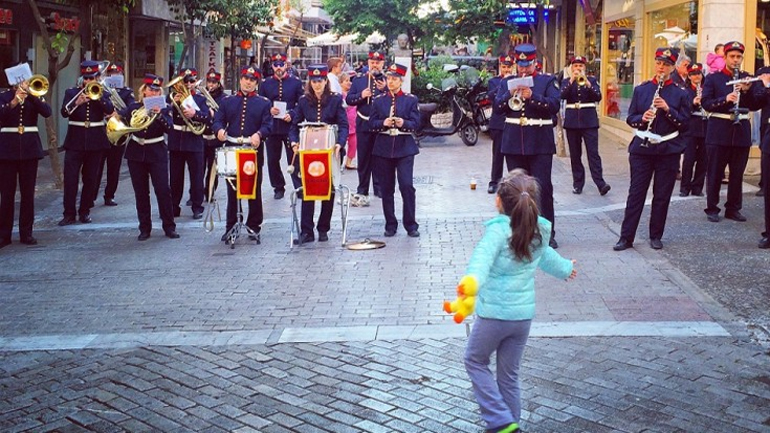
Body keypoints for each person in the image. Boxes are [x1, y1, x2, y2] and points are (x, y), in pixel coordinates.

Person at [461, 170, 576, 433]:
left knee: (474, 360)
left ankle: (500, 420)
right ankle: (510, 426)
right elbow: (547, 258)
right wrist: (566, 268)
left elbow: (481, 260)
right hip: (522, 318)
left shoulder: (497, 232)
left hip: (494, 316)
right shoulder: (536, 231)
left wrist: (471, 284)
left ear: (498, 201)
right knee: (509, 376)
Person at [613, 47, 690, 251]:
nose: (661, 67)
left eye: (665, 64)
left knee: (662, 195)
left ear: (673, 67)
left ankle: (656, 235)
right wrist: (642, 118)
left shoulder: (680, 93)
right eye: (658, 63)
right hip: (642, 149)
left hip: (668, 149)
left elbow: (685, 123)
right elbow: (630, 117)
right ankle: (626, 237)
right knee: (636, 193)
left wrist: (667, 109)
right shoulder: (642, 89)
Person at [493, 43, 561, 248]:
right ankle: (519, 230)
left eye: (527, 65)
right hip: (514, 142)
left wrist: (533, 98)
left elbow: (554, 105)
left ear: (534, 63)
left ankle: (547, 231)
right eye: (520, 65)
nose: (523, 69)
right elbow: (497, 108)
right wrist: (509, 93)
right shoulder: (508, 81)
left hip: (540, 142)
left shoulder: (547, 81)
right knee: (515, 189)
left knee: (543, 188)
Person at [701, 41, 768, 223]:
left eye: (739, 57)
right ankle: (712, 208)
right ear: (725, 58)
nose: (736, 60)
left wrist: (746, 92)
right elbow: (705, 103)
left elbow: (756, 105)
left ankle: (733, 208)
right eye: (732, 56)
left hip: (741, 133)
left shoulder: (748, 78)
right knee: (715, 172)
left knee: (737, 174)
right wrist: (726, 99)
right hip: (718, 131)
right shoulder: (713, 78)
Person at [288, 65, 348, 244]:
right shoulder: (304, 100)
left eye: (320, 81)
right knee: (308, 188)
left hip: (330, 150)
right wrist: (293, 142)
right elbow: (294, 125)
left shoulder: (336, 100)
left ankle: (323, 228)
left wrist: (340, 143)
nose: (317, 84)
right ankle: (307, 231)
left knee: (328, 189)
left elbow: (344, 125)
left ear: (325, 81)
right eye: (313, 81)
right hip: (309, 150)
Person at [212, 66, 272, 243]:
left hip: (252, 150)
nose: (248, 82)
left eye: (252, 80)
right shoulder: (228, 101)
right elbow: (218, 119)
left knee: (253, 188)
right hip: (232, 147)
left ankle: (254, 225)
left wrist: (259, 134)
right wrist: (219, 130)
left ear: (256, 83)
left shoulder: (263, 103)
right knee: (232, 189)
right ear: (240, 79)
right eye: (246, 78)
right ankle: (231, 225)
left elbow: (268, 125)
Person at [119, 74, 179, 241]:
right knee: (141, 192)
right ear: (143, 91)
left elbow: (170, 128)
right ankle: (144, 228)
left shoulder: (165, 108)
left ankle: (169, 226)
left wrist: (159, 114)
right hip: (136, 152)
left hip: (156, 151)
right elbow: (119, 117)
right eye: (149, 90)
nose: (152, 93)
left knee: (163, 190)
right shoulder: (134, 107)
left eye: (156, 90)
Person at [59, 60, 115, 226]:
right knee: (70, 179)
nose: (88, 82)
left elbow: (110, 109)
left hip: (96, 142)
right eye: (86, 78)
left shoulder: (103, 93)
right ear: (81, 78)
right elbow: (64, 112)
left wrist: (97, 98)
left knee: (90, 179)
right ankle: (69, 213)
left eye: (92, 78)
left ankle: (85, 211)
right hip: (75, 141)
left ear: (97, 77)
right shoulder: (72, 93)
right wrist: (77, 103)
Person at [368, 63, 420, 237]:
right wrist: (382, 123)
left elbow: (416, 124)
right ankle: (390, 223)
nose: (390, 82)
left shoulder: (410, 99)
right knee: (386, 188)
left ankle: (411, 224)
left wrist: (403, 123)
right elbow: (371, 124)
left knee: (406, 186)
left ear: (401, 81)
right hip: (383, 147)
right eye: (389, 78)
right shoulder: (379, 100)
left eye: (394, 79)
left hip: (404, 146)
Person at [0, 74, 52, 248]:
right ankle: (4, 234)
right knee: (7, 194)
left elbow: (47, 112)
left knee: (28, 193)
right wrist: (14, 101)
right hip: (7, 149)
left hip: (29, 150)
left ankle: (26, 233)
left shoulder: (34, 96)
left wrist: (31, 95)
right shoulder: (4, 96)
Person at [560, 55, 610, 196]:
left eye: (580, 66)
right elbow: (562, 95)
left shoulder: (592, 80)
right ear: (571, 68)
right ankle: (578, 184)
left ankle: (600, 183)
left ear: (584, 68)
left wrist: (587, 83)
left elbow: (598, 97)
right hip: (572, 122)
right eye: (575, 66)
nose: (578, 68)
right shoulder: (566, 81)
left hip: (589, 122)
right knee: (575, 155)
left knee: (593, 154)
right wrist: (571, 80)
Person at [167, 68, 211, 220]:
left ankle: (197, 207)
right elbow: (163, 115)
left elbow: (207, 118)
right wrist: (172, 106)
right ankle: (173, 207)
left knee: (197, 176)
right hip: (176, 141)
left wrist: (195, 114)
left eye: (191, 81)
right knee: (175, 177)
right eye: (185, 81)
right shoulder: (171, 98)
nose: (188, 84)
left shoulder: (199, 99)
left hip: (194, 140)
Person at [259, 53, 304, 199]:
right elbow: (260, 103)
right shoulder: (265, 84)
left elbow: (301, 104)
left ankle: (299, 186)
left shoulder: (296, 83)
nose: (279, 68)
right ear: (272, 66)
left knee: (294, 157)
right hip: (272, 127)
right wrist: (269, 109)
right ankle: (278, 187)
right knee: (273, 159)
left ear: (286, 65)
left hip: (289, 126)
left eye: (281, 64)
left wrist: (292, 113)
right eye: (276, 65)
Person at [346, 51, 387, 207]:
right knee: (363, 159)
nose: (374, 64)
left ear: (382, 64)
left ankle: (379, 188)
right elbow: (350, 99)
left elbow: (394, 100)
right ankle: (362, 188)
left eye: (378, 62)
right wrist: (361, 95)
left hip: (380, 124)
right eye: (372, 62)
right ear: (368, 62)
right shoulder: (359, 80)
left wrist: (384, 90)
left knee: (379, 158)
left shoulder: (387, 80)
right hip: (363, 123)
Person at [94, 63, 135, 207]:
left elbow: (131, 107)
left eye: (116, 73)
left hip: (118, 131)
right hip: (101, 131)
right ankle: (92, 195)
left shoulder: (126, 92)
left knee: (114, 166)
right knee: (97, 166)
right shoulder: (101, 90)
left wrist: (118, 113)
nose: (113, 75)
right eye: (110, 73)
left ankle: (109, 195)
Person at [679, 62, 708, 197]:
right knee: (689, 159)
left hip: (705, 127)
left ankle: (697, 187)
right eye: (693, 74)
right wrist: (693, 103)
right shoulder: (685, 91)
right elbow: (682, 110)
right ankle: (685, 187)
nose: (696, 76)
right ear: (689, 76)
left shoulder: (707, 89)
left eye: (698, 74)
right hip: (691, 128)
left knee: (703, 159)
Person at [487, 54, 514, 194]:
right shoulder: (494, 81)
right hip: (498, 122)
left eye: (509, 67)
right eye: (504, 67)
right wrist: (505, 83)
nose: (506, 69)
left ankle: (513, 183)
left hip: (512, 123)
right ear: (500, 67)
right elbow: (491, 96)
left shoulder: (517, 80)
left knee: (513, 155)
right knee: (497, 154)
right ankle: (494, 182)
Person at [202, 69, 226, 202]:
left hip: (215, 138)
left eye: (214, 82)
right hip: (202, 135)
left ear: (218, 83)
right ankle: (196, 193)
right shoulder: (202, 95)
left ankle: (210, 192)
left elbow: (224, 115)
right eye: (209, 81)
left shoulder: (223, 98)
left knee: (213, 168)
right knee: (198, 168)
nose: (211, 84)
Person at [341, 71, 358, 170]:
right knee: (342, 143)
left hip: (353, 124)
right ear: (340, 83)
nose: (349, 83)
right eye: (346, 81)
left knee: (353, 144)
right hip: (345, 124)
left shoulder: (351, 94)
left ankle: (349, 161)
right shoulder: (340, 95)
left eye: (349, 81)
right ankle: (339, 162)